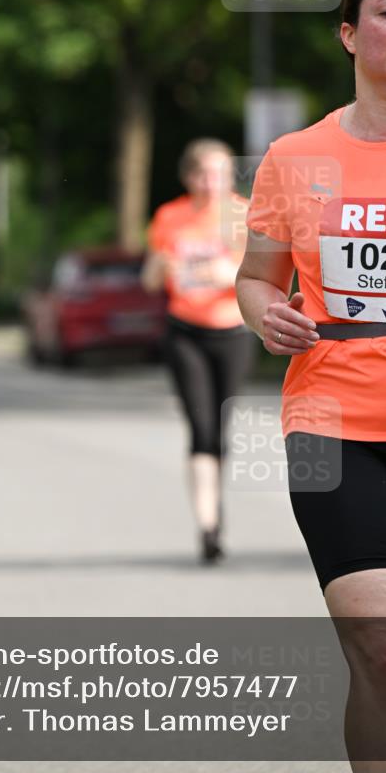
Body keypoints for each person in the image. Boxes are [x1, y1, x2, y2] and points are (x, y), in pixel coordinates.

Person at [236, 0, 386, 773]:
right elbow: (253, 277)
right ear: (348, 34)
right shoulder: (293, 157)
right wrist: (261, 313)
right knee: (382, 646)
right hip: (329, 422)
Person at [142, 139, 255, 563]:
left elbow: (265, 275)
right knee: (201, 428)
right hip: (184, 331)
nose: (213, 182)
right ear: (189, 177)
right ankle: (208, 527)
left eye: (222, 172)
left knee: (220, 433)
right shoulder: (170, 216)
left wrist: (229, 274)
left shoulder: (242, 214)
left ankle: (214, 510)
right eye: (205, 173)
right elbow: (150, 280)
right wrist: (161, 266)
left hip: (231, 331)